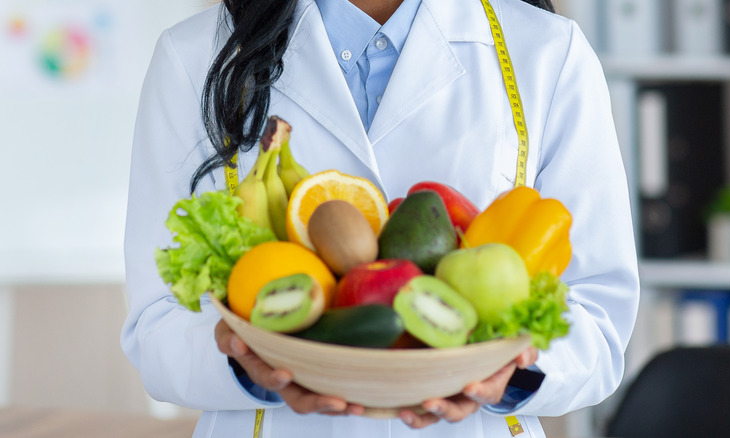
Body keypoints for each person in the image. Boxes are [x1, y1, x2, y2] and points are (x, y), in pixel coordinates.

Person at [121, 0, 640, 437]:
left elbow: (598, 317)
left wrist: (507, 375)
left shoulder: (549, 53)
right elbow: (158, 322)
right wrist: (246, 364)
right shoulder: (194, 57)